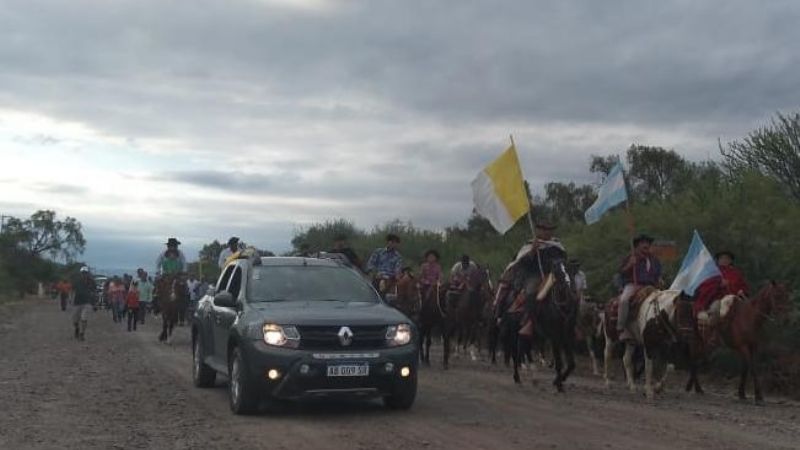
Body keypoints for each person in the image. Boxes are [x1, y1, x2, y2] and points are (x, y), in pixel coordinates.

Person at [617, 234, 662, 335]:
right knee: (624, 300)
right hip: (633, 285)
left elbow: (658, 274)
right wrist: (630, 265)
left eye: (648, 243)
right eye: (643, 243)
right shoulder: (630, 257)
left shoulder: (654, 260)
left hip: (651, 286)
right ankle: (621, 327)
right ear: (637, 246)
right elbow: (621, 272)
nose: (646, 245)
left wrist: (659, 280)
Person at [693, 251, 750, 315]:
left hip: (735, 300)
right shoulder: (713, 272)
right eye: (722, 258)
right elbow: (705, 286)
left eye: (727, 258)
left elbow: (743, 286)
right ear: (718, 260)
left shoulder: (736, 273)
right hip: (718, 299)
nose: (724, 260)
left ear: (730, 261)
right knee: (715, 309)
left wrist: (741, 291)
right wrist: (718, 284)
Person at [71, 266, 97, 341]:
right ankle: (77, 328)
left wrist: (95, 303)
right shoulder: (77, 281)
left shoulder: (92, 282)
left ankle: (82, 333)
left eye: (85, 273)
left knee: (84, 318)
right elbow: (72, 290)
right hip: (77, 302)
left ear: (88, 273)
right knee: (75, 320)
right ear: (81, 273)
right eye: (83, 273)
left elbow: (95, 293)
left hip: (87, 302)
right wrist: (70, 298)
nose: (84, 274)